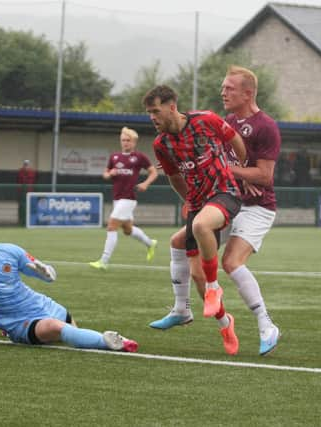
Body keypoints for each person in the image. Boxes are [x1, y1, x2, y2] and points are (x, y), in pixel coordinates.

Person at [149, 66, 282, 356]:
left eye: (229, 88)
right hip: (219, 198)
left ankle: (266, 324)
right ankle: (184, 309)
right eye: (222, 87)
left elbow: (265, 176)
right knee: (178, 244)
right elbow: (199, 153)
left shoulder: (265, 126)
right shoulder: (224, 120)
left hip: (256, 206)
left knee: (231, 262)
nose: (223, 92)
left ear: (248, 93)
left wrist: (226, 170)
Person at [0, 212, 138, 352]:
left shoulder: (10, 251)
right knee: (55, 328)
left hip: (46, 306)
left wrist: (46, 273)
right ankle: (113, 344)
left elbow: (49, 277)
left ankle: (109, 339)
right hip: (20, 325)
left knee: (69, 332)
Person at [143, 84, 246, 356]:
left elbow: (235, 140)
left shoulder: (206, 120)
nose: (152, 117)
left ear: (172, 106)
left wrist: (240, 166)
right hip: (200, 203)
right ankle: (222, 322)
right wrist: (188, 200)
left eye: (155, 111)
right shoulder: (161, 144)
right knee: (190, 265)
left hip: (226, 193)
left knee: (201, 226)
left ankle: (214, 288)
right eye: (149, 113)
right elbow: (175, 177)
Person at [89, 127, 159, 270]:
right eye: (123, 140)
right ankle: (150, 244)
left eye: (128, 140)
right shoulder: (115, 157)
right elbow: (105, 174)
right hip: (117, 198)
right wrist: (110, 174)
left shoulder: (139, 157)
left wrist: (145, 183)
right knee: (127, 230)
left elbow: (153, 172)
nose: (125, 143)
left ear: (134, 142)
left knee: (111, 226)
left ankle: (104, 261)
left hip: (129, 198)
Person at [16, 159, 37, 226]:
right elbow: (19, 180)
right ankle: (21, 222)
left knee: (29, 207)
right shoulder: (20, 171)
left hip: (29, 193)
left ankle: (28, 222)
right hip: (22, 193)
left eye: (27, 165)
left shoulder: (31, 172)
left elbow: (31, 180)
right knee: (21, 207)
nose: (26, 166)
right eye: (25, 164)